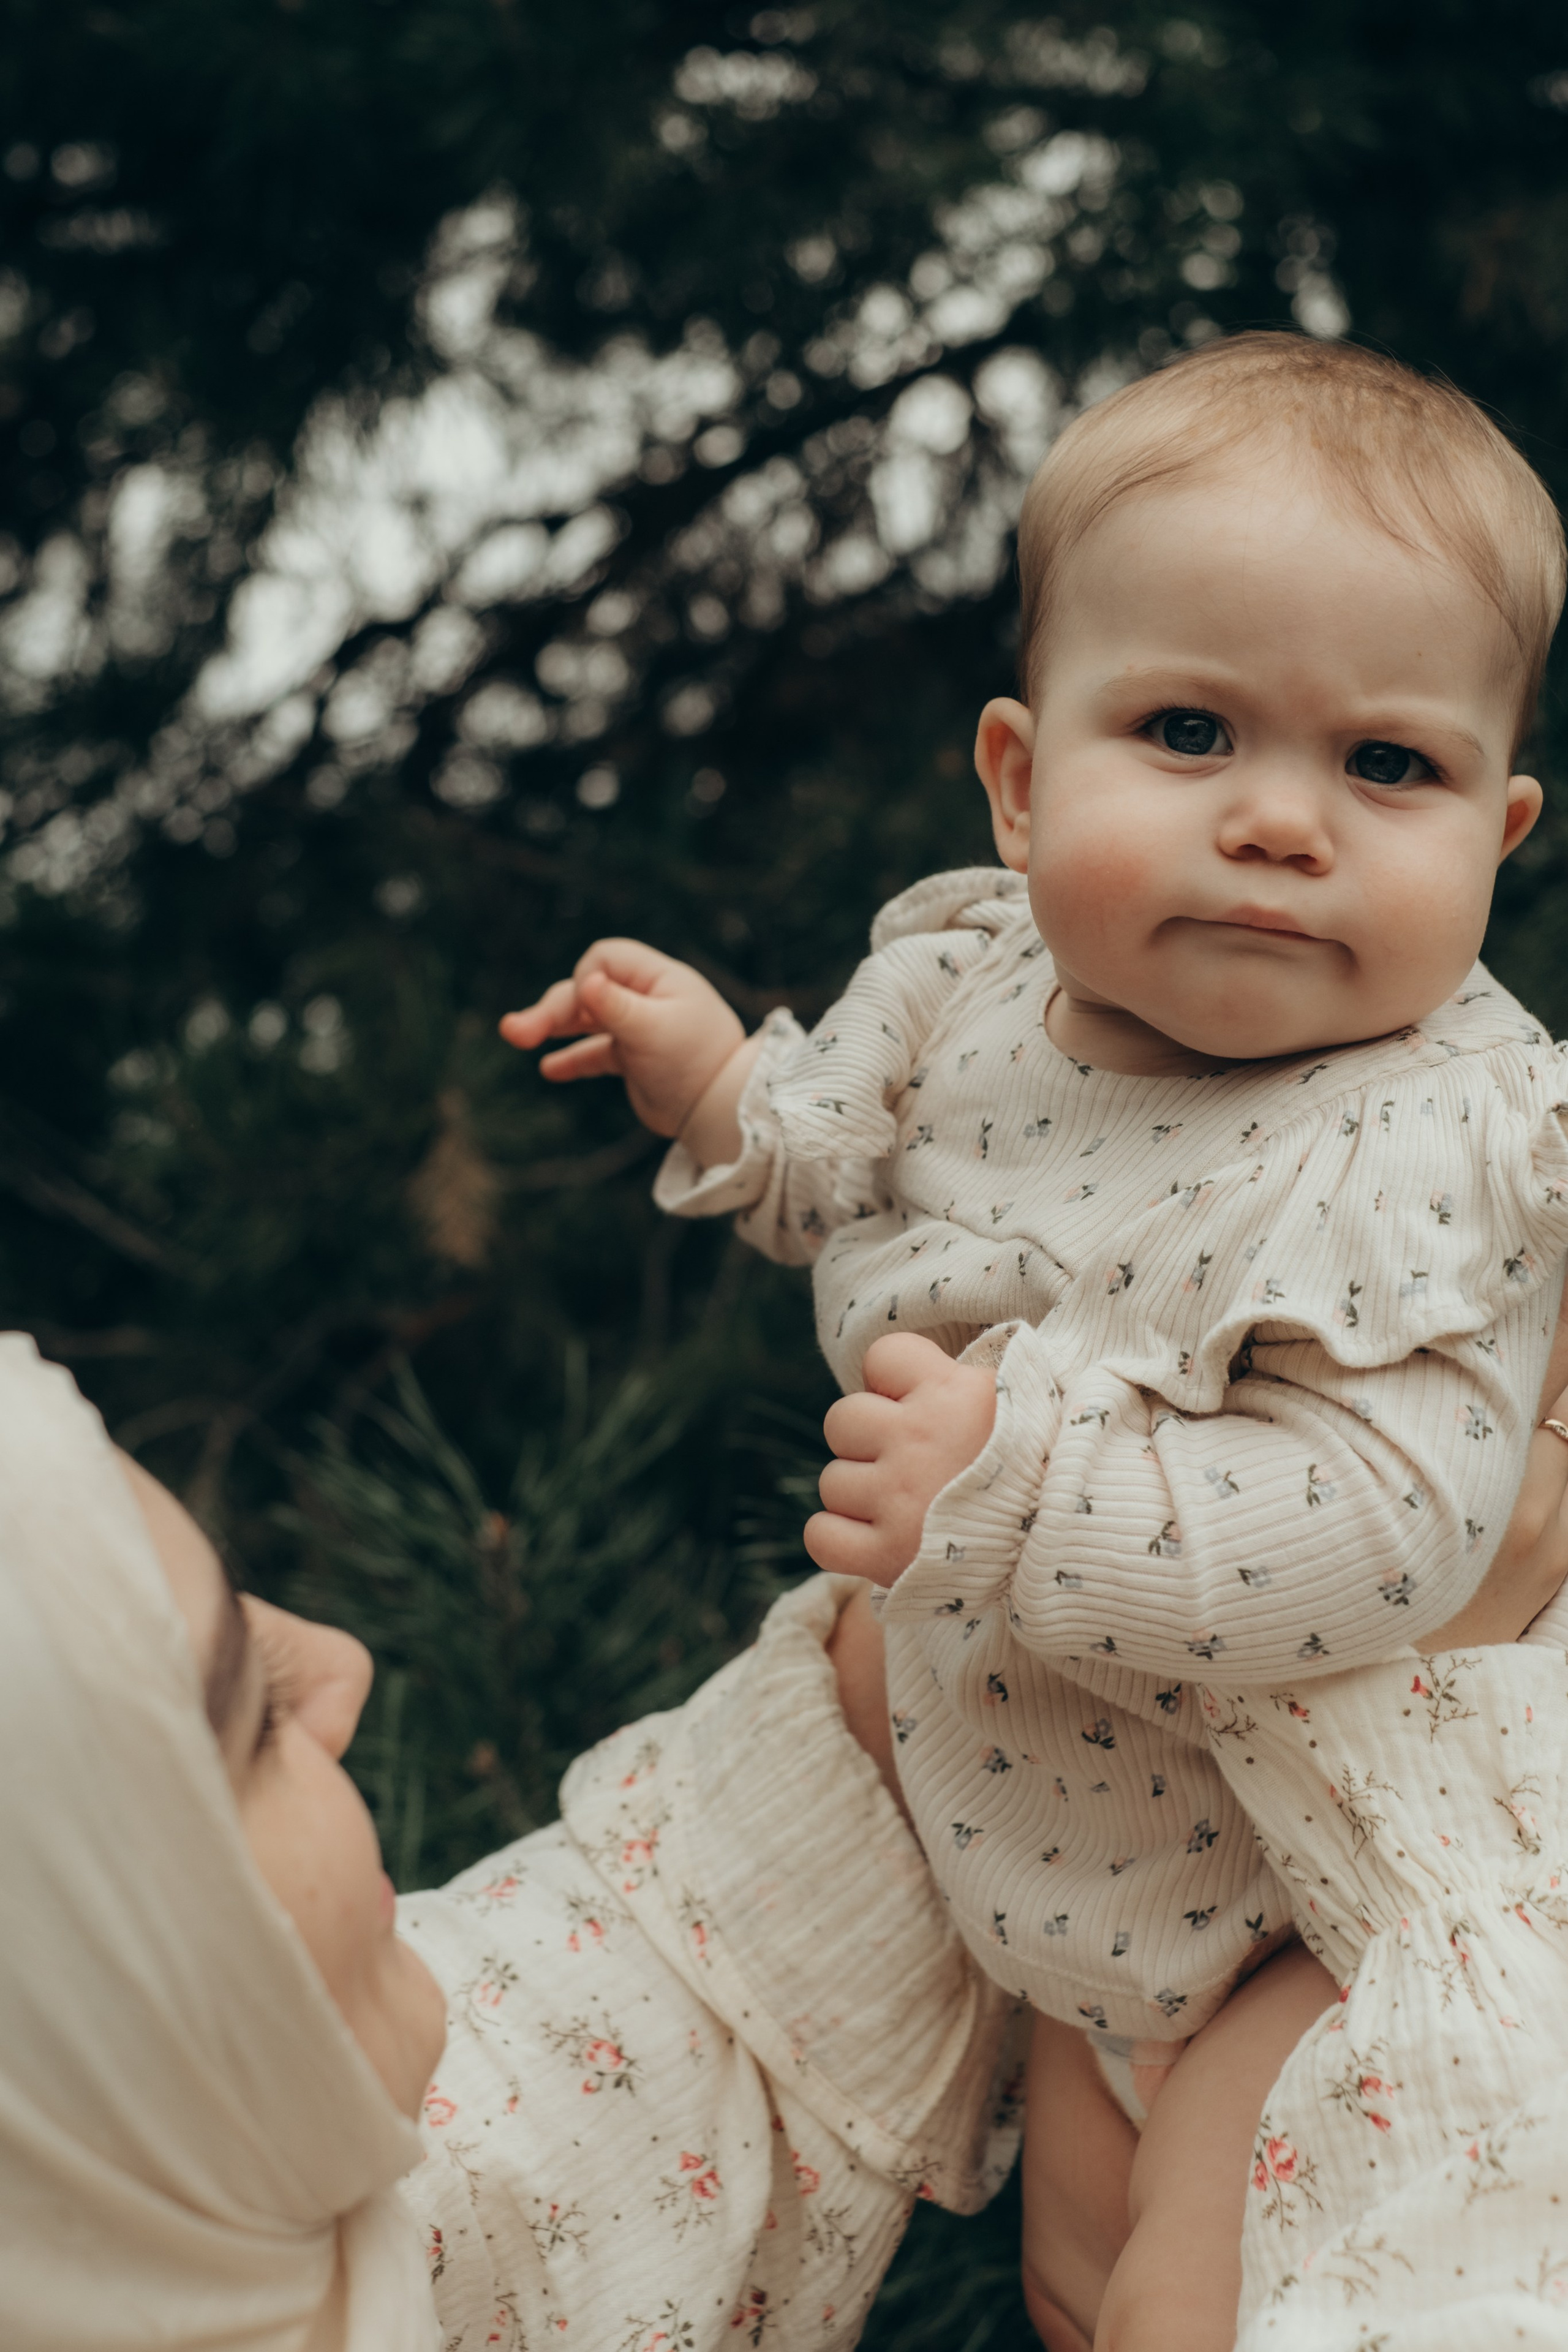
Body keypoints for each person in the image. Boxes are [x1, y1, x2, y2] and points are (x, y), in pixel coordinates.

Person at [502, 330, 1568, 2348]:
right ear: (1017, 778)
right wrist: (722, 1086)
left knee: (1197, 2297)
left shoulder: (1452, 1142)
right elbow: (844, 1182)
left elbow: (1404, 1530)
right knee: (1075, 2280)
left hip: (1343, 1878)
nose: (1281, 822)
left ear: (1498, 843)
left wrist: (1020, 1484)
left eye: (1388, 766)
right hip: (1080, 1859)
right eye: (1189, 730)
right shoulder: (966, 980)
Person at [0, 1332, 1019, 2352]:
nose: (342, 1668)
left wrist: (1037, 1515)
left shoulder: (456, 2194)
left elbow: (705, 1957)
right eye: (254, 1713)